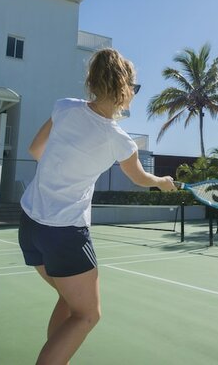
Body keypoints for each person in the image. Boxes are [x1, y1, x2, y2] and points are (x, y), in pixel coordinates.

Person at [18, 48, 176, 365]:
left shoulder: (64, 108)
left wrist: (62, 170)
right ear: (124, 88)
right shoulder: (119, 140)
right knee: (88, 315)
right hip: (64, 234)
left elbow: (36, 149)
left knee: (70, 301)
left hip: (30, 224)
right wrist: (161, 181)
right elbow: (140, 178)